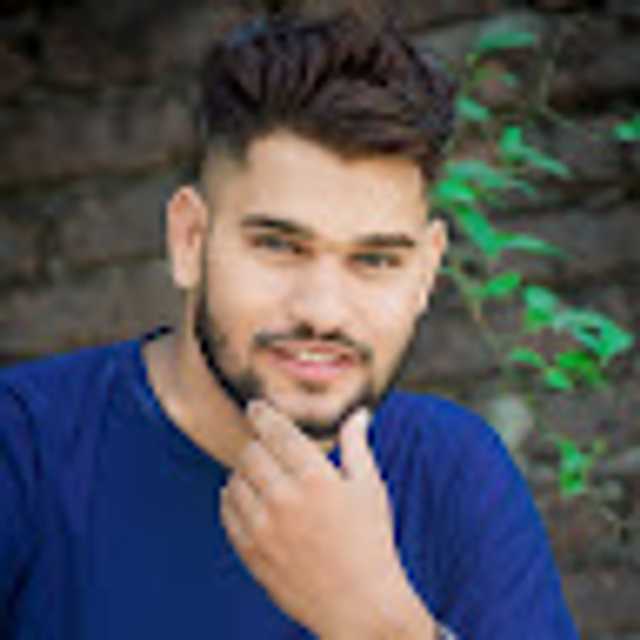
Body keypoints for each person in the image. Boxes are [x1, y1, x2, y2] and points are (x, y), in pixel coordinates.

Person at [0, 10, 578, 640]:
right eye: (278, 246)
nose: (322, 311)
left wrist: (375, 624)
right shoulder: (25, 449)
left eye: (376, 259)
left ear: (424, 273)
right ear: (190, 239)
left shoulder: (453, 472)